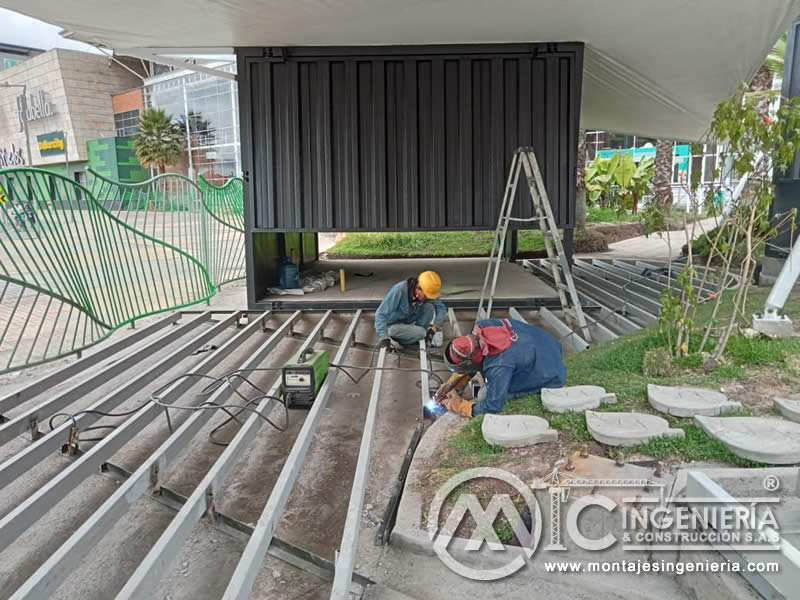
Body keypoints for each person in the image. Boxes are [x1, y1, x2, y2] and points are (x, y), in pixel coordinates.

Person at [439, 317, 566, 417]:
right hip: (546, 343)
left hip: (551, 372)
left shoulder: (499, 365)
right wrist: (453, 383)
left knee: (483, 395)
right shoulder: (482, 326)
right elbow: (473, 357)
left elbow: (492, 406)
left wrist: (460, 406)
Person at [375, 270, 447, 349]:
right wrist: (384, 338)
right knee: (422, 332)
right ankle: (414, 337)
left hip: (408, 321)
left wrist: (434, 328)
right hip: (393, 326)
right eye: (426, 296)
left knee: (429, 307)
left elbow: (441, 308)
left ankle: (415, 336)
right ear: (419, 288)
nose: (427, 298)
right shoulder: (399, 290)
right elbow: (380, 314)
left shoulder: (426, 290)